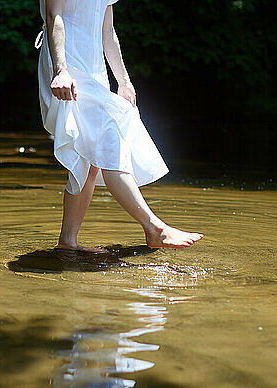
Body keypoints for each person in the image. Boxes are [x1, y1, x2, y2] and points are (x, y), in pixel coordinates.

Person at [37, 0, 203, 252]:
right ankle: (154, 229)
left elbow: (108, 31)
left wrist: (123, 81)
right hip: (68, 66)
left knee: (90, 158)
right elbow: (53, 16)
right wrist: (61, 70)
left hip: (94, 70)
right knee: (107, 144)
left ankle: (67, 243)